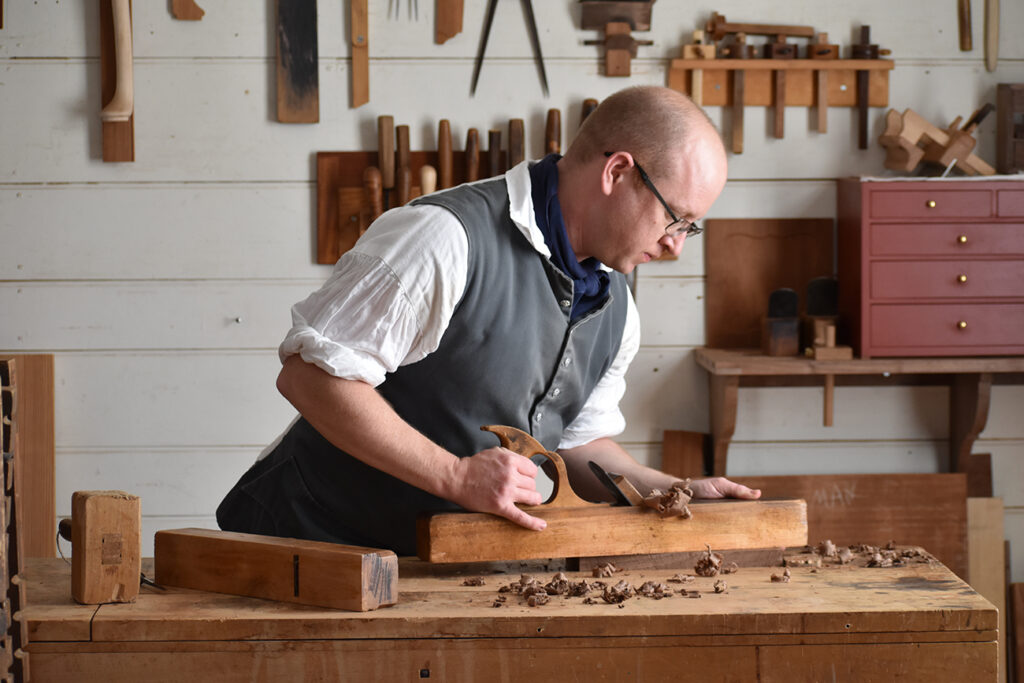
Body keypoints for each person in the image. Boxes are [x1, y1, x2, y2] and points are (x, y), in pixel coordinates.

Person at [217, 85, 760, 555]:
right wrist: (455, 475)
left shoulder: (617, 306)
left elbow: (578, 443)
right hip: (312, 547)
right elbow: (310, 377)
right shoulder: (443, 237)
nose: (676, 246)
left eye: (691, 227)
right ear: (617, 172)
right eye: (676, 218)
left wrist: (676, 489)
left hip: (446, 572)